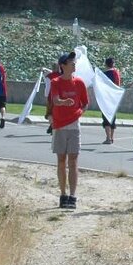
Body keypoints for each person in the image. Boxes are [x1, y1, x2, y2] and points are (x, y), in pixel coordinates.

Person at [49, 52, 88, 210]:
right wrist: (65, 102)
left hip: (74, 126)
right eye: (70, 62)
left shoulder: (79, 82)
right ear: (63, 65)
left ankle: (72, 196)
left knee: (73, 160)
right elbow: (55, 100)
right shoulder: (55, 82)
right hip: (59, 126)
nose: (74, 64)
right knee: (61, 161)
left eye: (74, 62)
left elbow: (85, 103)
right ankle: (63, 194)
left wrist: (79, 113)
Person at [101, 57, 122, 144]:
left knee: (106, 117)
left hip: (106, 98)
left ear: (106, 64)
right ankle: (112, 137)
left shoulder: (104, 74)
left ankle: (108, 138)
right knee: (112, 117)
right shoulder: (116, 73)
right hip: (115, 98)